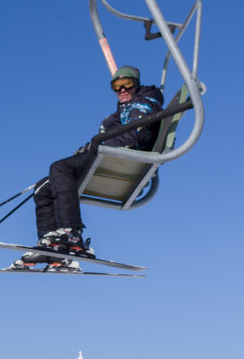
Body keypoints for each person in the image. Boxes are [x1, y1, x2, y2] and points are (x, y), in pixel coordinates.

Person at [11, 66, 163, 270]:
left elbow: (134, 134)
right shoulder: (129, 106)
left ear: (137, 84)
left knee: (59, 168)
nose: (122, 89)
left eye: (128, 84)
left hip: (121, 159)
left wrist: (98, 145)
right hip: (111, 155)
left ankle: (71, 233)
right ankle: (51, 246)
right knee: (43, 187)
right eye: (117, 86)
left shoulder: (143, 104)